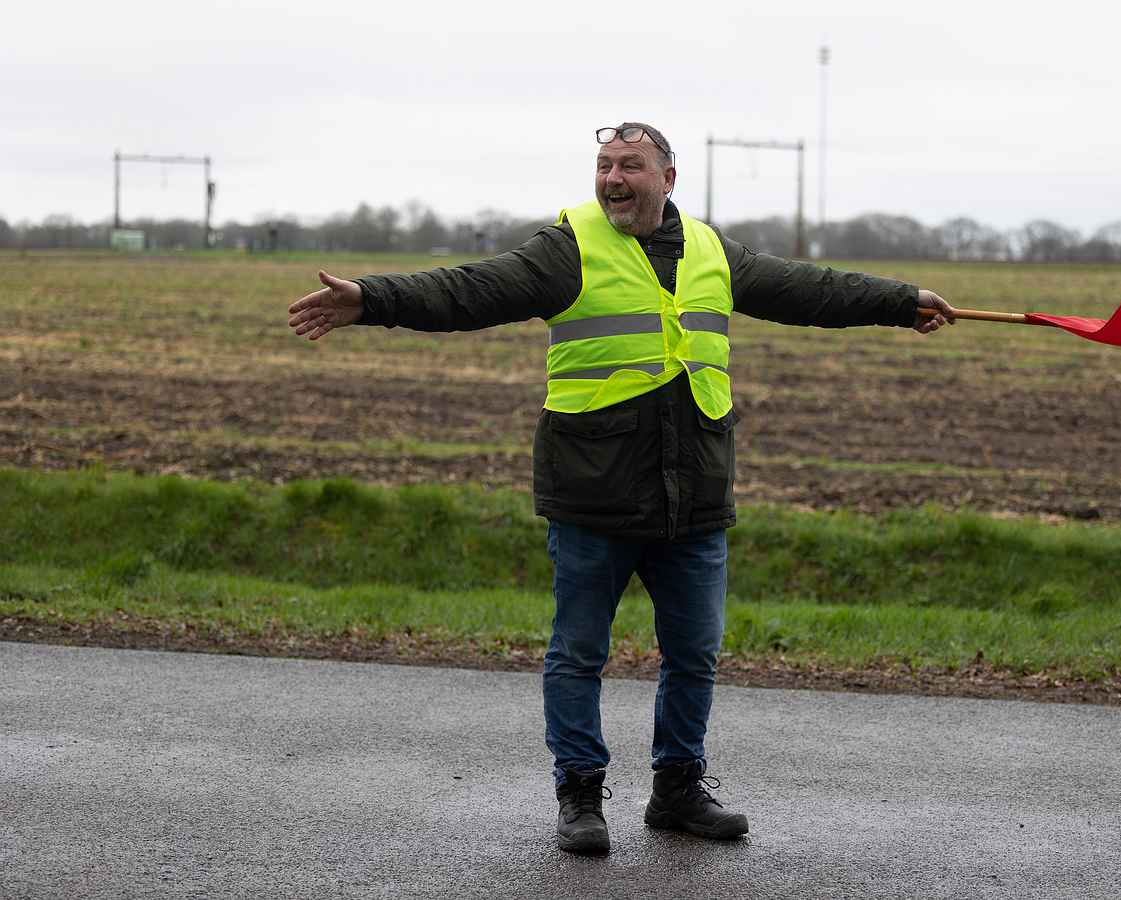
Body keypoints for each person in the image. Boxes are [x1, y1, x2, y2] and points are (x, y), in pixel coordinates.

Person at [287, 121, 956, 854]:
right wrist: (372, 299)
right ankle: (579, 796)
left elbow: (809, 289)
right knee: (579, 653)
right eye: (604, 165)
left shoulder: (711, 251)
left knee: (693, 655)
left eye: (630, 166)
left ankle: (677, 792)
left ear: (668, 177)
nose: (612, 178)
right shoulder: (567, 248)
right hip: (592, 494)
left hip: (693, 494)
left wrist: (899, 301)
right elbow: (471, 289)